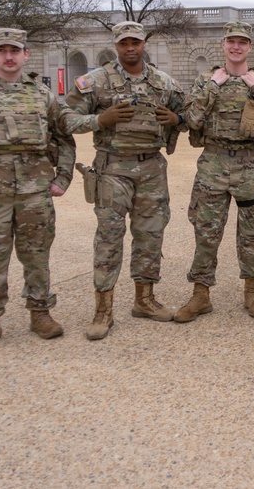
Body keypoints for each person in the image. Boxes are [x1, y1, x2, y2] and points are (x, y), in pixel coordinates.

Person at [0, 28, 129, 352]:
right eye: (2, 50)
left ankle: (40, 313)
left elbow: (64, 134)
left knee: (37, 257)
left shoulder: (41, 94)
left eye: (15, 50)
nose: (9, 56)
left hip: (35, 193)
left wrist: (63, 177)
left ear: (26, 55)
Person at [65, 20, 186, 340]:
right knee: (109, 239)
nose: (130, 47)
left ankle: (144, 300)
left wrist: (177, 119)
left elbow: (188, 114)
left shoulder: (164, 82)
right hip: (113, 170)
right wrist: (98, 120)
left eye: (136, 42)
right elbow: (65, 118)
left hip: (150, 170)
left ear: (144, 42)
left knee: (150, 236)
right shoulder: (96, 81)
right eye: (123, 43)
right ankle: (103, 309)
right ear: (116, 45)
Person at [173, 21, 254, 322]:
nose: (236, 47)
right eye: (231, 41)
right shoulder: (205, 79)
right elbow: (192, 120)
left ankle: (252, 292)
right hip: (214, 163)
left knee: (251, 233)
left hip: (249, 165)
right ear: (223, 44)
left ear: (250, 47)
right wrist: (213, 87)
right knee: (206, 232)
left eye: (242, 42)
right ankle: (200, 295)